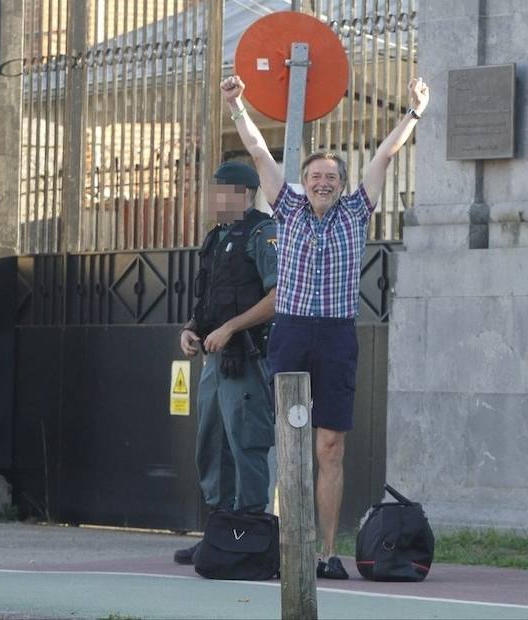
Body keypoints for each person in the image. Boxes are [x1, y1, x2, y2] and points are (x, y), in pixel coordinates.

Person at [220, 74, 430, 579]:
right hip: (291, 331)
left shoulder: (356, 211)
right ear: (303, 183)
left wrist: (416, 112)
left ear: (341, 184)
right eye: (315, 176)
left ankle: (325, 553)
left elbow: (384, 156)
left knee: (329, 446)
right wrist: (237, 107)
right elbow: (257, 150)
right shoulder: (287, 208)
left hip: (336, 336)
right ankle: (288, 544)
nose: (322, 183)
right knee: (288, 440)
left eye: (331, 178)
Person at [173, 161, 278, 565]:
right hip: (214, 360)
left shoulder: (263, 233)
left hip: (247, 358)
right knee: (212, 445)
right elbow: (212, 297)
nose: (214, 198)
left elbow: (277, 297)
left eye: (222, 191)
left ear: (244, 193)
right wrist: (192, 328)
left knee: (246, 442)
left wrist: (232, 328)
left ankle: (248, 532)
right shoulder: (216, 237)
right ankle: (219, 534)